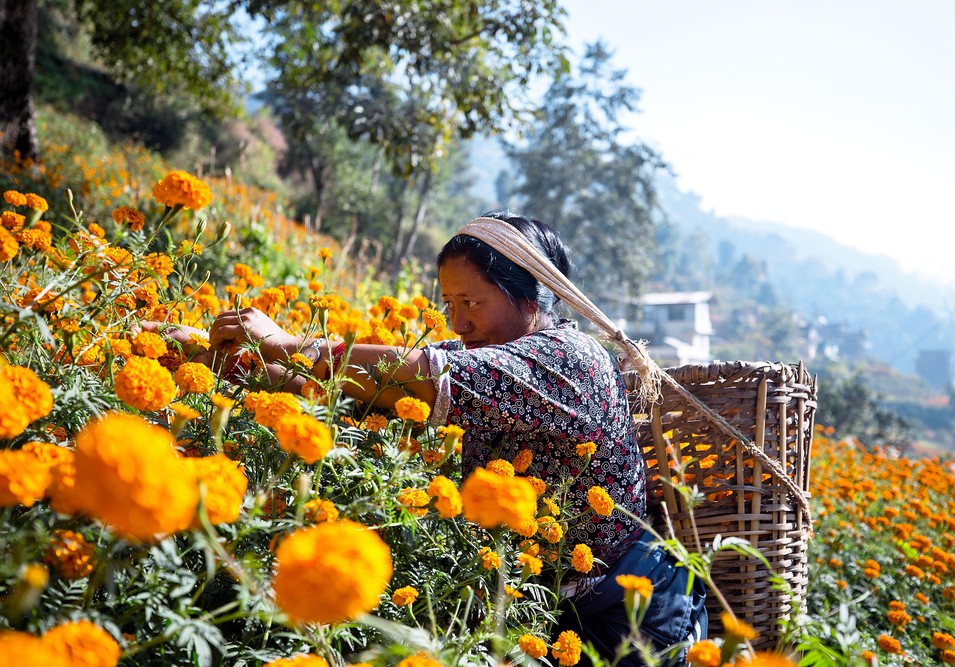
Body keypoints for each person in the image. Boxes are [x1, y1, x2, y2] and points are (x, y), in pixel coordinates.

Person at [151, 211, 706, 665]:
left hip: (631, 617)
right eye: (448, 304)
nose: (457, 322)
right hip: (557, 612)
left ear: (530, 299)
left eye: (471, 303)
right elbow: (367, 393)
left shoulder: (568, 358)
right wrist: (223, 359)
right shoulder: (495, 359)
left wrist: (287, 343)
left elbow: (426, 375)